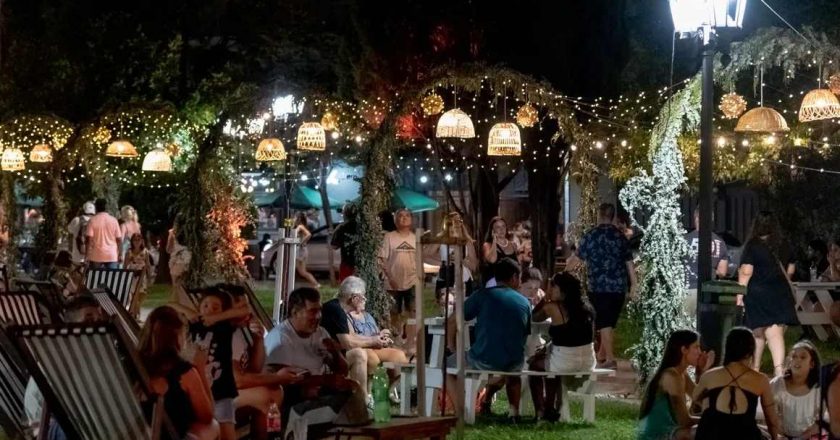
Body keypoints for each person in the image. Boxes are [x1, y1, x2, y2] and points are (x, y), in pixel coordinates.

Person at [264, 288, 368, 435]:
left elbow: (343, 370)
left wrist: (335, 352)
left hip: (319, 391)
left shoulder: (320, 333)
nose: (319, 316)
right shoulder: (281, 339)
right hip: (292, 399)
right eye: (312, 311)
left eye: (320, 310)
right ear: (295, 312)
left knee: (353, 388)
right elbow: (284, 380)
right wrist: (324, 381)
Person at [445, 258, 531, 421]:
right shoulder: (525, 302)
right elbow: (524, 334)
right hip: (513, 361)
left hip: (482, 358)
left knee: (445, 367)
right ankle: (514, 413)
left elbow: (453, 319)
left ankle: (460, 411)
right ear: (514, 277)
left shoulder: (482, 295)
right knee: (513, 371)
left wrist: (452, 346)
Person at [221, 284, 297, 440]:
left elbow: (254, 369)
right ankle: (271, 435)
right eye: (242, 306)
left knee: (275, 392)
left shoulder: (239, 331)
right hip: (216, 394)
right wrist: (277, 377)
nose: (248, 310)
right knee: (268, 395)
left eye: (248, 305)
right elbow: (237, 380)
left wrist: (258, 340)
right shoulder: (224, 335)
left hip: (230, 392)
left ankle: (270, 434)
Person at [24, 295, 105, 439]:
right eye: (88, 320)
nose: (96, 325)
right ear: (71, 326)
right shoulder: (66, 358)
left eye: (99, 320)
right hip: (50, 426)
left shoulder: (90, 354)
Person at [175, 288, 251, 440]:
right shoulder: (193, 325)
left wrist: (217, 318)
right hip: (199, 393)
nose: (210, 310)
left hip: (221, 393)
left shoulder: (225, 327)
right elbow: (171, 305)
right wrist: (193, 313)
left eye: (216, 307)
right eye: (206, 305)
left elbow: (245, 309)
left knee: (227, 433)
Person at [320, 276, 407, 403]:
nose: (365, 299)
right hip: (324, 358)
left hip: (334, 354)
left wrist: (376, 338)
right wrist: (373, 342)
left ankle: (366, 398)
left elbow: (351, 336)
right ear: (354, 298)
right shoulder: (336, 310)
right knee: (359, 354)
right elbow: (347, 342)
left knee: (390, 354)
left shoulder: (338, 309)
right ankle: (363, 400)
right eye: (363, 296)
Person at [139, 306, 219, 440]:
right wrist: (200, 369)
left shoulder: (131, 365)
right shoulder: (184, 372)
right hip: (168, 436)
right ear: (177, 337)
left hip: (135, 434)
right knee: (213, 426)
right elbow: (207, 416)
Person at [692, 327, 782, 440]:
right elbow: (771, 420)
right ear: (750, 351)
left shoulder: (709, 376)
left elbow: (694, 403)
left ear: (728, 349)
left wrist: (701, 372)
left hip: (712, 434)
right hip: (744, 435)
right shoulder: (761, 380)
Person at [737, 211, 798, 376]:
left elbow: (746, 271)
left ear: (756, 225)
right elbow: (790, 269)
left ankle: (755, 369)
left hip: (759, 294)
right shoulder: (783, 243)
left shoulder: (753, 245)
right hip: (780, 293)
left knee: (758, 332)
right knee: (774, 332)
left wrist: (739, 295)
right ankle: (779, 371)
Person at [528, 272, 595, 421]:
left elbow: (534, 317)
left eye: (553, 286)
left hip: (565, 362)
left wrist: (544, 299)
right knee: (551, 364)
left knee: (534, 365)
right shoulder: (587, 308)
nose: (550, 289)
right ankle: (551, 408)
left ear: (562, 290)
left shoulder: (553, 307)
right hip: (587, 362)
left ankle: (542, 409)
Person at [578, 203, 637, 369]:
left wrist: (564, 272)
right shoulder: (620, 237)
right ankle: (602, 354)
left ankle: (610, 359)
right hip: (618, 287)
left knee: (604, 322)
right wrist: (634, 284)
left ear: (599, 214)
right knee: (609, 322)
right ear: (612, 217)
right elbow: (629, 262)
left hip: (598, 285)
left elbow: (578, 258)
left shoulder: (591, 236)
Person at [637, 330, 712, 440]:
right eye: (696, 347)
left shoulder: (682, 374)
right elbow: (684, 421)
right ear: (684, 350)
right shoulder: (671, 376)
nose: (700, 352)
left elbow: (701, 398)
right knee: (698, 432)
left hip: (673, 430)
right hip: (656, 435)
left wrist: (703, 371)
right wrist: (716, 420)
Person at [379, 208, 418, 355]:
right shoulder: (389, 237)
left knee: (412, 313)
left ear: (411, 220)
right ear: (395, 220)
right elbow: (382, 259)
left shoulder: (416, 238)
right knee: (393, 313)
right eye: (400, 216)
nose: (404, 218)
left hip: (412, 282)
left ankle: (410, 343)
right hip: (392, 283)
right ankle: (396, 342)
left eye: (407, 216)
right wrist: (390, 277)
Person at [770, 340, 824, 439]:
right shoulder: (777, 384)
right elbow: (771, 416)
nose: (797, 360)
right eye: (794, 356)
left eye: (803, 357)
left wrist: (801, 438)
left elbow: (820, 421)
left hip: (809, 436)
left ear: (812, 364)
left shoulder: (819, 389)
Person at [684, 208, 729, 317]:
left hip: (688, 289)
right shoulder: (720, 242)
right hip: (709, 291)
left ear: (696, 218)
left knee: (685, 328)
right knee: (706, 327)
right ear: (711, 220)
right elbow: (722, 272)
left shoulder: (685, 240)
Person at [435, 211, 478, 295]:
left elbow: (474, 266)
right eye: (454, 221)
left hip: (464, 280)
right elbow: (427, 255)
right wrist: (443, 261)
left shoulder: (467, 241)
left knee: (464, 307)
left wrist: (462, 260)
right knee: (447, 306)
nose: (457, 223)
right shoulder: (441, 239)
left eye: (459, 220)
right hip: (445, 279)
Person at [84, 198, 122, 269]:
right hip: (111, 255)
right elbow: (119, 239)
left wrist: (86, 255)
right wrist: (120, 254)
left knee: (96, 278)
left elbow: (89, 239)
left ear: (96, 207)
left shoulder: (92, 221)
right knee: (111, 278)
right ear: (106, 208)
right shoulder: (113, 220)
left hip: (96, 255)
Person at [481, 216, 518, 284]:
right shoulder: (488, 245)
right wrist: (494, 240)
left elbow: (517, 265)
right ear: (492, 230)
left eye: (503, 226)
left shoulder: (513, 245)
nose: (501, 229)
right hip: (495, 283)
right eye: (498, 227)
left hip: (511, 283)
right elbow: (492, 260)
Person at [125, 233, 154, 318]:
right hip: (132, 276)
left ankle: (136, 311)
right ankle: (135, 314)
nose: (137, 242)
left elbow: (148, 265)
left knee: (142, 295)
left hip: (142, 276)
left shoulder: (145, 252)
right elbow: (125, 265)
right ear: (132, 241)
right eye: (135, 240)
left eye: (139, 240)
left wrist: (149, 277)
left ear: (142, 241)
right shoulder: (129, 252)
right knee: (134, 295)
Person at [167, 222, 193, 307]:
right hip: (187, 260)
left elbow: (169, 249)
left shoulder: (173, 233)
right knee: (182, 287)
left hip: (178, 261)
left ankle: (175, 307)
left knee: (176, 287)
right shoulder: (192, 230)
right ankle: (181, 306)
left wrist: (171, 236)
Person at [331, 204, 359, 282]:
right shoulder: (362, 227)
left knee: (346, 287)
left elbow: (334, 246)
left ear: (345, 214)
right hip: (362, 264)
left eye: (342, 213)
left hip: (347, 264)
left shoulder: (341, 227)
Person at [293, 212, 319, 287]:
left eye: (295, 217)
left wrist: (302, 242)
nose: (293, 219)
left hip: (300, 250)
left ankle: (316, 284)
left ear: (298, 218)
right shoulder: (299, 226)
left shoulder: (300, 227)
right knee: (302, 272)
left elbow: (309, 234)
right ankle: (316, 284)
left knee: (300, 270)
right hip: (302, 250)